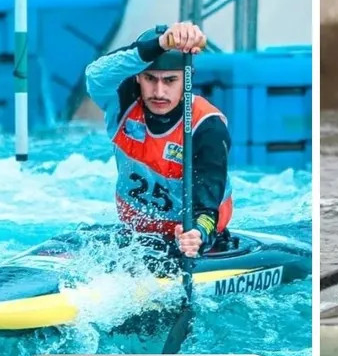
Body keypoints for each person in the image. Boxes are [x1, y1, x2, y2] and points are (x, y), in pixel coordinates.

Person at [84, 22, 233, 259]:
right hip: (134, 237)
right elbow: (96, 74)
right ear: (137, 78)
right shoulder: (122, 104)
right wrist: (159, 45)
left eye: (170, 81)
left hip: (190, 239)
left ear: (187, 79)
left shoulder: (206, 126)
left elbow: (208, 203)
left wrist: (198, 233)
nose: (159, 92)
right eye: (150, 79)